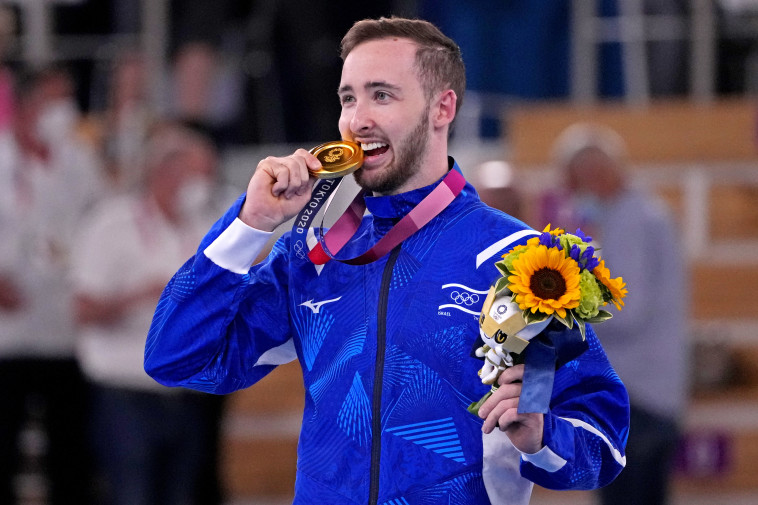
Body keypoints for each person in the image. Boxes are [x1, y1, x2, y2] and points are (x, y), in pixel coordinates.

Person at [145, 17, 629, 504]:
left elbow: (603, 443)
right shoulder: (316, 253)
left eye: (381, 95)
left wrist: (542, 436)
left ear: (442, 108)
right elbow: (177, 358)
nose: (357, 120)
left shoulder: (522, 261)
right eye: (348, 98)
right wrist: (249, 224)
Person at [72, 121, 225, 505]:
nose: (205, 182)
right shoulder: (111, 224)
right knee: (132, 494)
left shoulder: (204, 225)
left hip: (188, 392)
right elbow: (83, 309)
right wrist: (143, 295)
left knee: (182, 495)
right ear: (164, 172)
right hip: (126, 391)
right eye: (196, 172)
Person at [550, 123, 689, 505]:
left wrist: (559, 318)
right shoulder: (641, 215)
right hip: (650, 393)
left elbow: (625, 309)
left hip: (634, 395)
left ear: (592, 174)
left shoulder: (631, 221)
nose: (572, 194)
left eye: (572, 183)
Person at [0, 65, 103, 504]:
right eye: (53, 100)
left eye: (68, 100)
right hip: (7, 333)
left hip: (66, 332)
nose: (64, 111)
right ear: (25, 107)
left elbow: (98, 226)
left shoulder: (80, 161)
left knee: (71, 455)